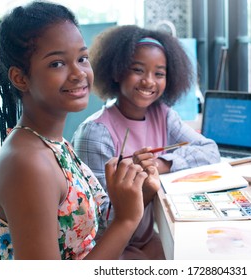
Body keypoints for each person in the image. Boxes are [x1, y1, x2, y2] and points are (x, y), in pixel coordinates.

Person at [0, 1, 148, 260]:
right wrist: (125, 220)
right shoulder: (28, 164)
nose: (79, 73)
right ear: (20, 78)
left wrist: (137, 192)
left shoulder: (51, 142)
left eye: (82, 58)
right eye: (57, 63)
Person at [71, 25, 221, 259]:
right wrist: (144, 190)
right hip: (107, 250)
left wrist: (161, 164)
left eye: (159, 73)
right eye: (138, 70)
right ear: (117, 71)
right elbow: (99, 222)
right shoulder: (96, 133)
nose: (149, 81)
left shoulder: (162, 114)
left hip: (143, 238)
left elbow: (210, 151)